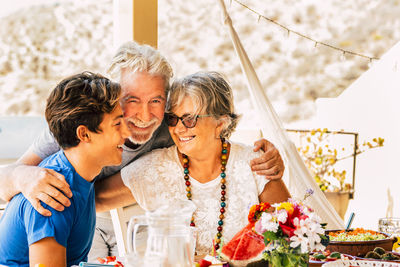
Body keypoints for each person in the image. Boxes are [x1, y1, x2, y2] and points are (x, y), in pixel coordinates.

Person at [0, 41, 284, 260]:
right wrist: (25, 178)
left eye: (156, 101)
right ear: (112, 97)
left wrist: (267, 157)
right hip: (76, 215)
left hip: (121, 214)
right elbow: (6, 182)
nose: (144, 115)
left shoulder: (172, 126)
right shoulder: (73, 128)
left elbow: (209, 132)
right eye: (131, 100)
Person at [121, 71, 291, 254]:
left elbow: (293, 236)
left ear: (221, 123)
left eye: (189, 119)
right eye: (172, 118)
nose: (178, 128)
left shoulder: (256, 164)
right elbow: (95, 197)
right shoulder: (153, 167)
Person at [0, 72, 130, 266]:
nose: (127, 133)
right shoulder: (54, 195)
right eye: (117, 124)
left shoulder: (79, 176)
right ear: (84, 134)